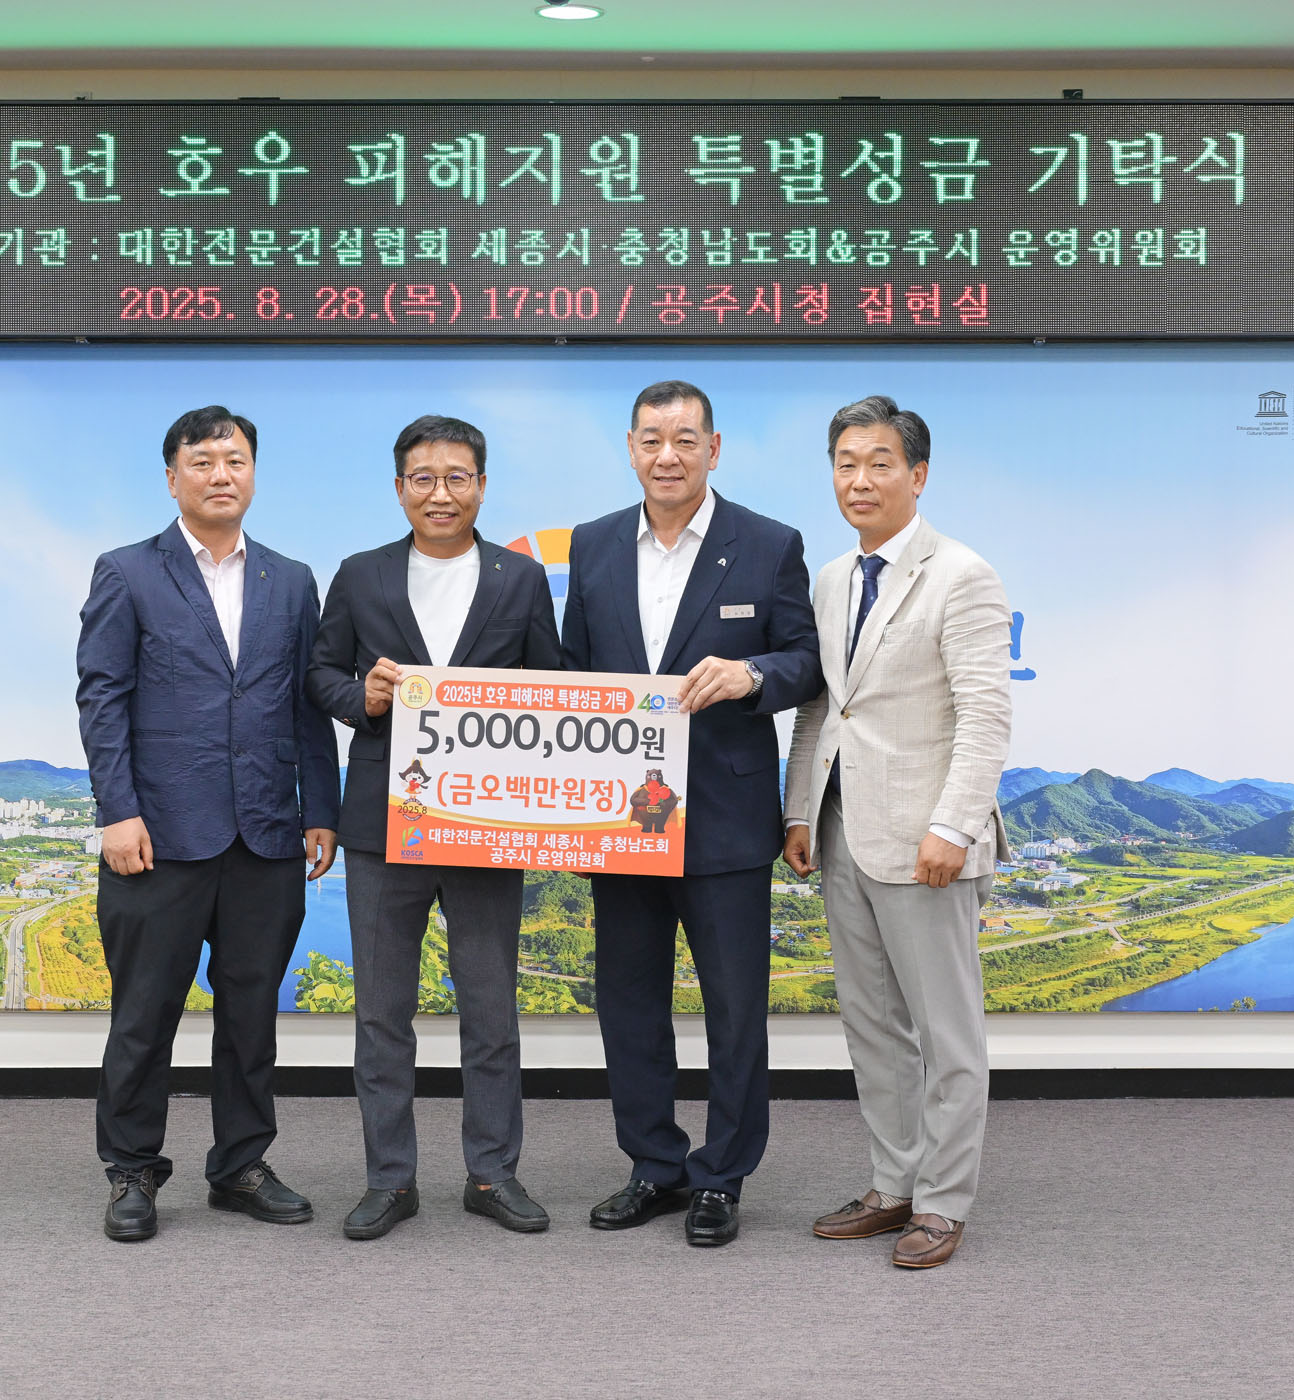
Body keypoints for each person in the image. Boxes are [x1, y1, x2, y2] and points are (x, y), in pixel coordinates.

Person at [561, 380, 823, 1247]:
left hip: (725, 815)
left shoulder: (769, 544)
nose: (666, 455)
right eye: (650, 440)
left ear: (714, 449)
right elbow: (571, 677)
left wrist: (752, 676)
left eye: (684, 439)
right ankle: (654, 1165)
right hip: (622, 819)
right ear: (630, 449)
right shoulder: (593, 544)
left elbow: (806, 661)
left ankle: (722, 1176)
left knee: (734, 1010)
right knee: (628, 1004)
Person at [76, 404, 340, 1243]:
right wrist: (117, 811)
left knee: (252, 1014)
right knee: (144, 1014)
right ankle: (131, 1170)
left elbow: (307, 705)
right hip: (157, 835)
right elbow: (102, 697)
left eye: (235, 461)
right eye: (202, 462)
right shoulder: (127, 571)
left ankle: (241, 1164)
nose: (221, 475)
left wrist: (320, 811)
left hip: (266, 833)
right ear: (172, 478)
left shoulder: (291, 579)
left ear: (253, 473)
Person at [307, 414, 564, 1241]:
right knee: (382, 1014)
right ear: (399, 489)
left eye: (457, 477)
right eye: (424, 478)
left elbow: (553, 690)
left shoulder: (521, 580)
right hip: (384, 826)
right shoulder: (361, 574)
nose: (440, 493)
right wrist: (363, 697)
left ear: (481, 487)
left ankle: (493, 1174)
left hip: (488, 824)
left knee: (491, 1010)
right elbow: (319, 674)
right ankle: (390, 1180)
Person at [782, 394, 1012, 1270]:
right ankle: (894, 1185)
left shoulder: (963, 574)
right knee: (872, 1026)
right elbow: (821, 710)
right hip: (842, 829)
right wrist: (798, 811)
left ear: (918, 475)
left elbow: (985, 717)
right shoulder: (832, 578)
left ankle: (944, 1203)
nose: (861, 479)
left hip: (927, 841)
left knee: (946, 1034)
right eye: (846, 463)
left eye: (880, 463)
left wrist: (954, 824)